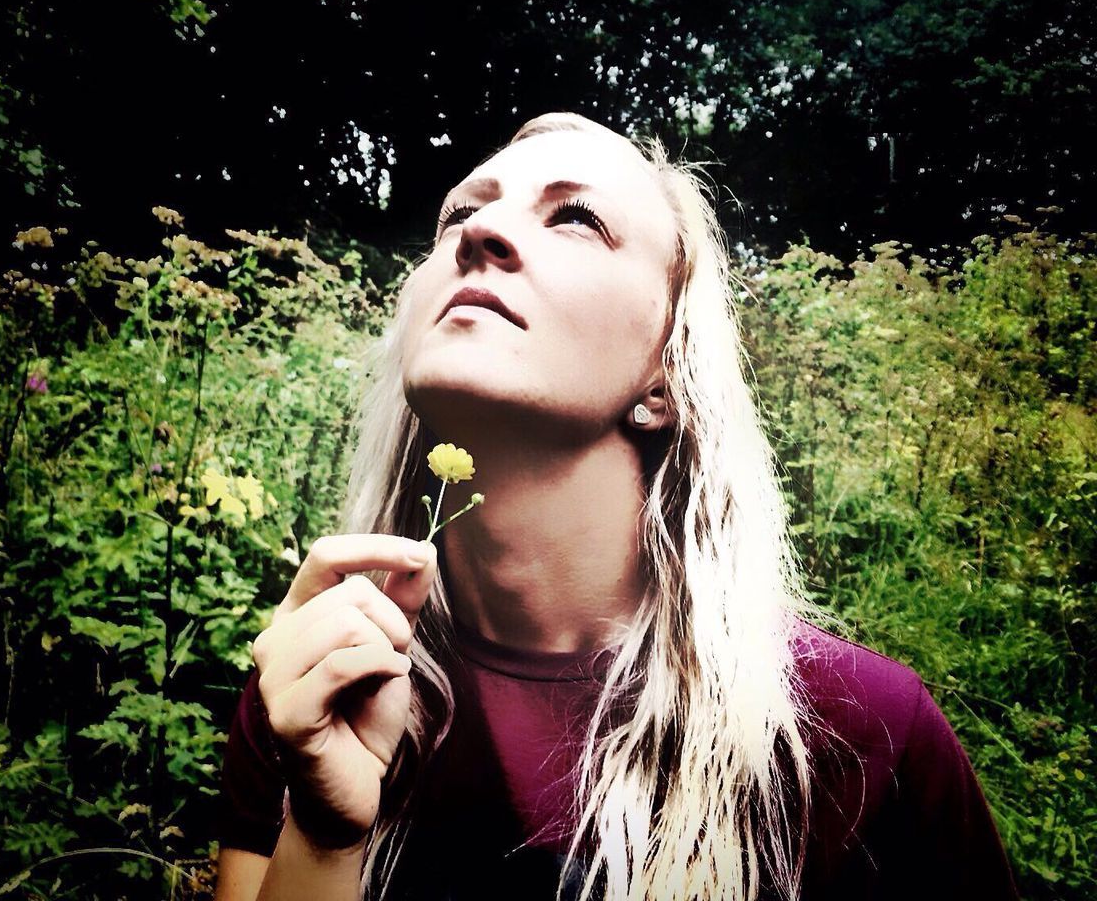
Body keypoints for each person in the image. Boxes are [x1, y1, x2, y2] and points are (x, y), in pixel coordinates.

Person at [211, 112, 1019, 901]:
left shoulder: (862, 732)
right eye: (461, 210)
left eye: (576, 218)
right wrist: (323, 834)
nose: (479, 234)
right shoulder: (321, 678)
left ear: (664, 375)